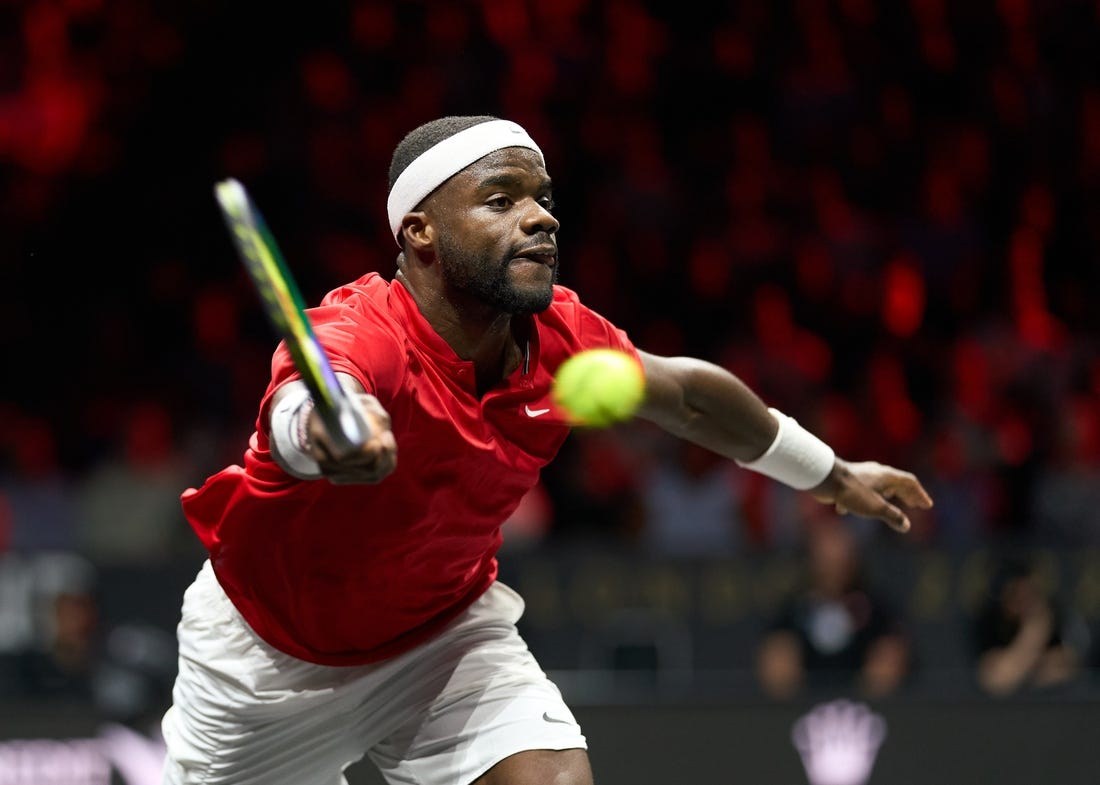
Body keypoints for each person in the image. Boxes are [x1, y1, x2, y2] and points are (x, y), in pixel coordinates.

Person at [160, 115, 933, 785]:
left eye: (544, 200)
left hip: (442, 640)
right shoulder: (363, 334)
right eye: (502, 201)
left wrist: (832, 473)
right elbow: (302, 402)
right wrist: (326, 434)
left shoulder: (562, 337)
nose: (541, 219)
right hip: (267, 668)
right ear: (419, 231)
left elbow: (690, 396)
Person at [755, 510, 912, 700]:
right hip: (804, 701)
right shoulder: (795, 608)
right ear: (812, 557)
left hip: (862, 705)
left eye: (841, 551)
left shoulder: (874, 607)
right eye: (826, 553)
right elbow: (774, 652)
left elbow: (894, 644)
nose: (834, 560)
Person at [972, 554, 1085, 697]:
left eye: (1030, 592)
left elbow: (1067, 668)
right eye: (1016, 594)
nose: (1025, 601)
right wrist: (1034, 633)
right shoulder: (989, 620)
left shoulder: (1053, 613)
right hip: (1000, 714)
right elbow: (997, 681)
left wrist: (1018, 666)